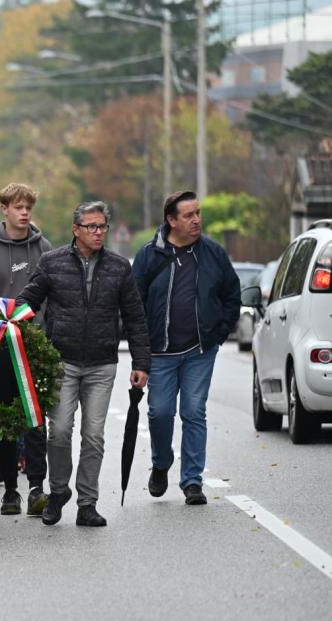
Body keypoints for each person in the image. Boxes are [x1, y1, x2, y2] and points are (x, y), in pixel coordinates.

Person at [18, 202, 151, 527]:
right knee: (60, 431)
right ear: (76, 229)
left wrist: (141, 363)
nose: (98, 232)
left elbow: (135, 316)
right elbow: (28, 300)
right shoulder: (52, 262)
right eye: (91, 226)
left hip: (102, 364)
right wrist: (17, 327)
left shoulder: (119, 267)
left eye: (102, 226)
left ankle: (87, 503)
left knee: (94, 436)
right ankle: (58, 491)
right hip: (61, 361)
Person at [132, 191, 241, 506]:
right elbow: (133, 304)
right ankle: (161, 462)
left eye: (198, 213)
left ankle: (192, 481)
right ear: (171, 220)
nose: (196, 220)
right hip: (160, 353)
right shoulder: (149, 256)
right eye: (188, 215)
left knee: (194, 411)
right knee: (160, 412)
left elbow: (232, 295)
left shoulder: (213, 253)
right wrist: (140, 350)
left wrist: (219, 333)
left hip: (199, 351)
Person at [0, 183, 52, 517]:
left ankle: (36, 487)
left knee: (35, 420)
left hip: (33, 345)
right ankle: (10, 491)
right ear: (5, 209)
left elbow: (52, 297)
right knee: (3, 422)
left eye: (29, 207)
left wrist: (47, 334)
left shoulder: (43, 247)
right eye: (18, 207)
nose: (25, 213)